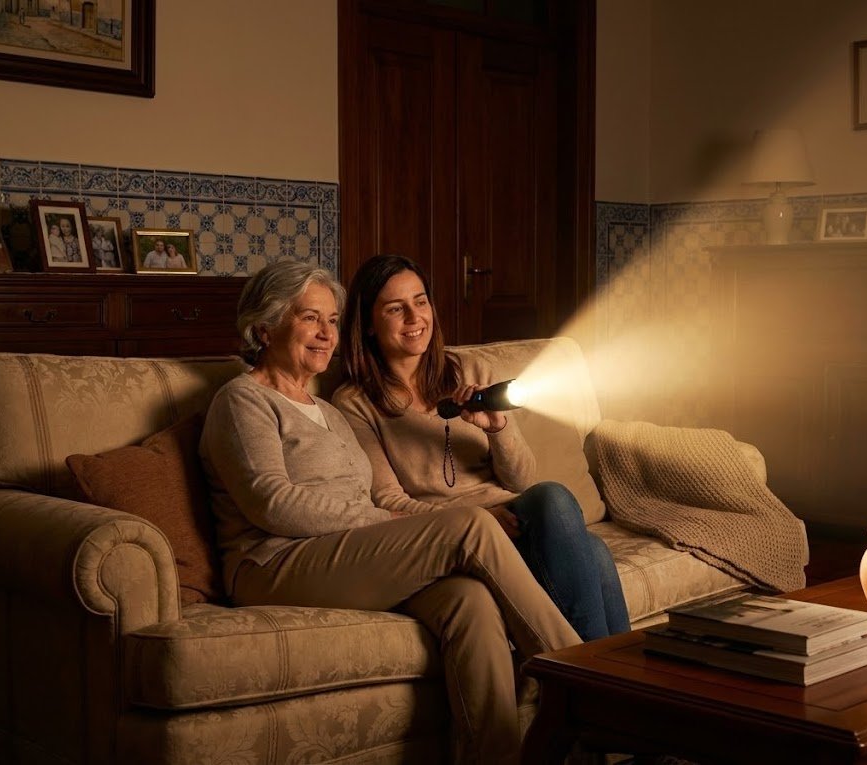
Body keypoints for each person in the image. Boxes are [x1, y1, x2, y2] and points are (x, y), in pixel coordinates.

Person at [199, 260, 579, 765]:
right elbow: (271, 502)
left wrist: (393, 523)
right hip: (272, 563)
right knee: (468, 525)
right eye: (310, 318)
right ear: (265, 327)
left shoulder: (328, 412)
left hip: (339, 555)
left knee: (469, 601)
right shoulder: (242, 400)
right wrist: (398, 524)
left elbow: (367, 498)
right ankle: (584, 680)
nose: (325, 333)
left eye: (333, 320)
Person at [333, 254, 630, 642]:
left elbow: (522, 479)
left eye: (421, 301)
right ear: (369, 325)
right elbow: (387, 501)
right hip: (456, 535)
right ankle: (596, 681)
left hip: (515, 517)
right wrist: (477, 517)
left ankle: (606, 684)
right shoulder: (354, 403)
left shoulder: (469, 375)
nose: (414, 317)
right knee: (583, 538)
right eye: (395, 308)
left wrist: (497, 428)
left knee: (580, 533)